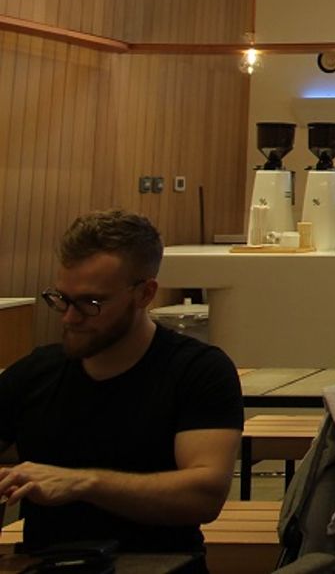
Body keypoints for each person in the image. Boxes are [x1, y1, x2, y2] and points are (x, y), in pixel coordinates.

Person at [0, 210, 243, 565]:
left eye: (91, 304)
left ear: (145, 293)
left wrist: (84, 484)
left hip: (162, 565)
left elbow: (204, 495)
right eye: (62, 298)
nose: (69, 317)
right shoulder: (35, 373)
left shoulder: (198, 371)